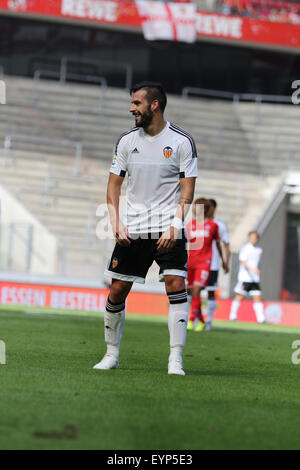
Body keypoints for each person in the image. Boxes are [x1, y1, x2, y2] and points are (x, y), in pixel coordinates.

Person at [93, 81, 198, 376]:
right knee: (117, 290)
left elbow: (187, 192)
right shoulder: (127, 141)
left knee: (176, 285)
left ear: (155, 105)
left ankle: (175, 358)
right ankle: (111, 353)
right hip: (134, 230)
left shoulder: (181, 141)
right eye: (132, 103)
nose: (131, 108)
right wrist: (116, 222)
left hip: (168, 228)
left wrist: (175, 227)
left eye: (137, 103)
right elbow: (113, 186)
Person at [185, 198, 224, 332]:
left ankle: (191, 321)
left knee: (196, 290)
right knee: (191, 292)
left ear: (206, 210)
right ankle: (201, 321)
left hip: (204, 263)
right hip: (191, 262)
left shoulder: (213, 226)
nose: (196, 210)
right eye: (195, 207)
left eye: (199, 207)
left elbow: (218, 245)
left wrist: (223, 261)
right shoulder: (190, 225)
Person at [204, 199, 230, 331]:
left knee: (210, 292)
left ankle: (208, 321)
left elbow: (225, 244)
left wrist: (225, 261)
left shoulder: (220, 225)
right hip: (197, 263)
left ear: (214, 208)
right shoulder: (197, 223)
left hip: (212, 263)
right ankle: (194, 318)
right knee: (190, 292)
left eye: (208, 207)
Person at [229, 231, 265, 323]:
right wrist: (253, 270)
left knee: (257, 297)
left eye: (255, 237)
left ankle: (261, 319)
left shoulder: (259, 250)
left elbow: (257, 263)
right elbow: (243, 261)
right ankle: (232, 316)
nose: (253, 239)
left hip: (255, 279)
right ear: (249, 238)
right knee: (240, 296)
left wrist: (256, 271)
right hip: (245, 278)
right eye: (252, 237)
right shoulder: (245, 248)